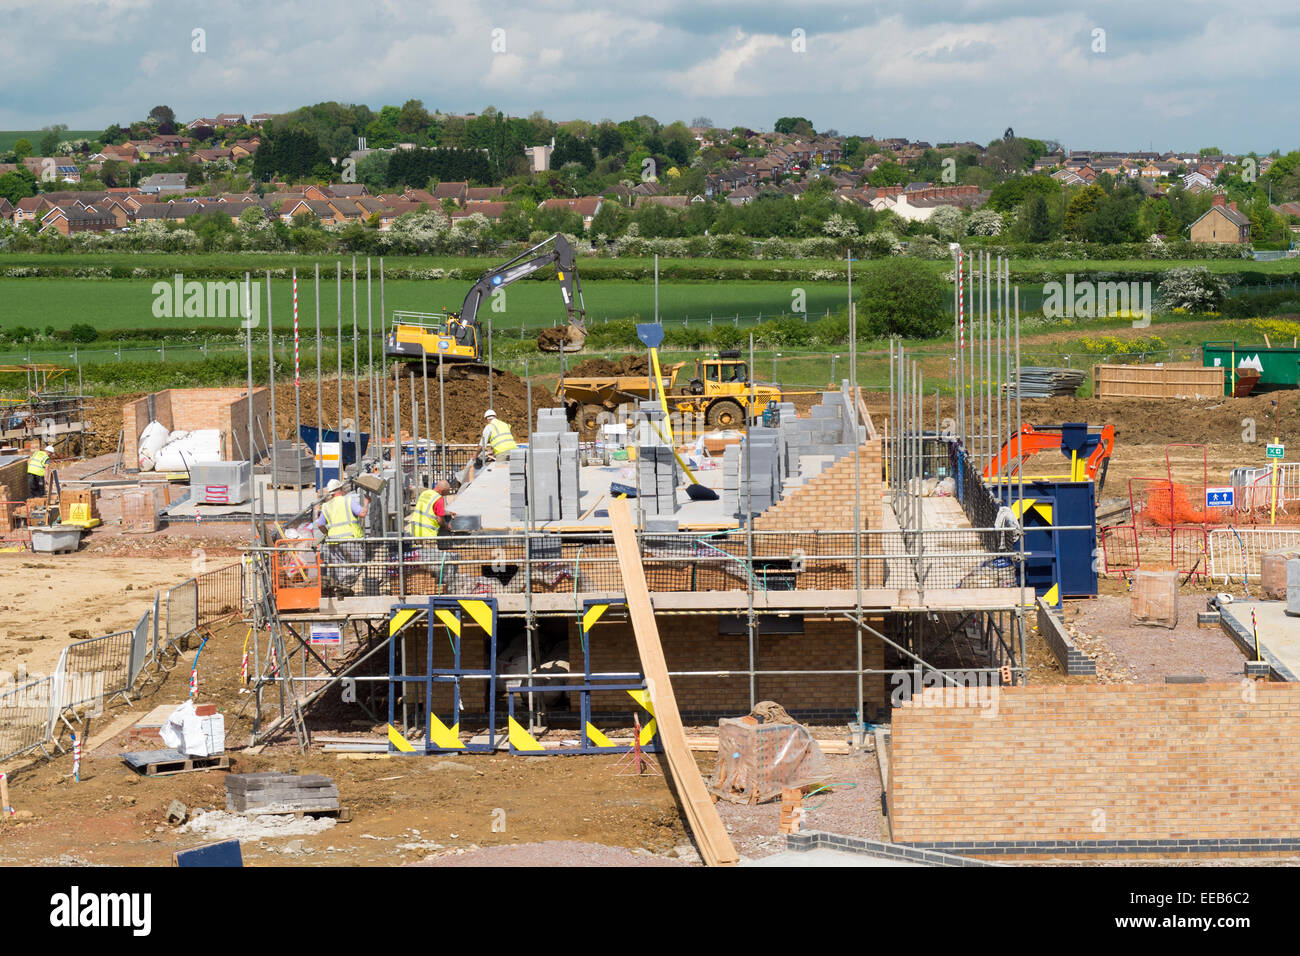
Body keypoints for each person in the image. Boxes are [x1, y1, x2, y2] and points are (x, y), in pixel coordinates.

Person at [315, 478, 368, 593]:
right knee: (357, 565)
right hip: (350, 539)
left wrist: (327, 533)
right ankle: (345, 587)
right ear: (341, 489)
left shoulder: (326, 506)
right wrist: (367, 502)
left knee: (340, 567)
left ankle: (341, 589)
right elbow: (362, 513)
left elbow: (320, 524)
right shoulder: (348, 501)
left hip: (333, 541)